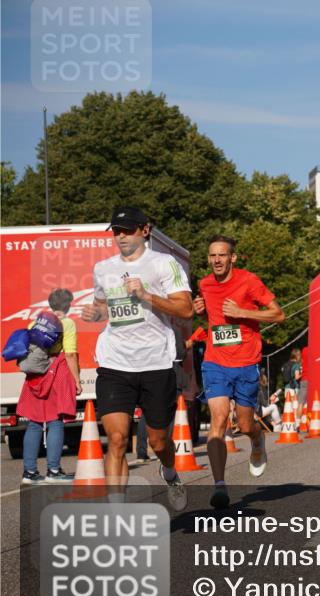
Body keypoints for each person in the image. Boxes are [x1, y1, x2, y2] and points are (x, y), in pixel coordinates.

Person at [81, 207, 194, 509]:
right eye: (116, 231)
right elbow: (103, 305)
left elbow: (185, 309)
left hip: (156, 362)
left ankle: (170, 473)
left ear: (145, 230)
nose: (121, 236)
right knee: (117, 439)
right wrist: (96, 313)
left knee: (158, 441)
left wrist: (146, 296)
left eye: (128, 230)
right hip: (115, 362)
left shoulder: (163, 263)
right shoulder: (103, 268)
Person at [193, 235, 285, 509]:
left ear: (232, 257)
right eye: (212, 255)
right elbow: (213, 319)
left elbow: (278, 315)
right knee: (219, 419)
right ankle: (219, 485)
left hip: (246, 362)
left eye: (222, 255)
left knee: (245, 425)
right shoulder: (205, 284)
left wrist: (243, 312)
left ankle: (257, 440)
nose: (216, 260)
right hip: (215, 362)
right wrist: (200, 312)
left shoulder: (249, 281)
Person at [18, 302, 79, 484]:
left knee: (34, 423)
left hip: (35, 376)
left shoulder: (35, 323)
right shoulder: (67, 323)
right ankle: (53, 470)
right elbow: (70, 354)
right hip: (55, 373)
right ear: (67, 307)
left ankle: (29, 472)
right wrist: (76, 380)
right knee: (56, 421)